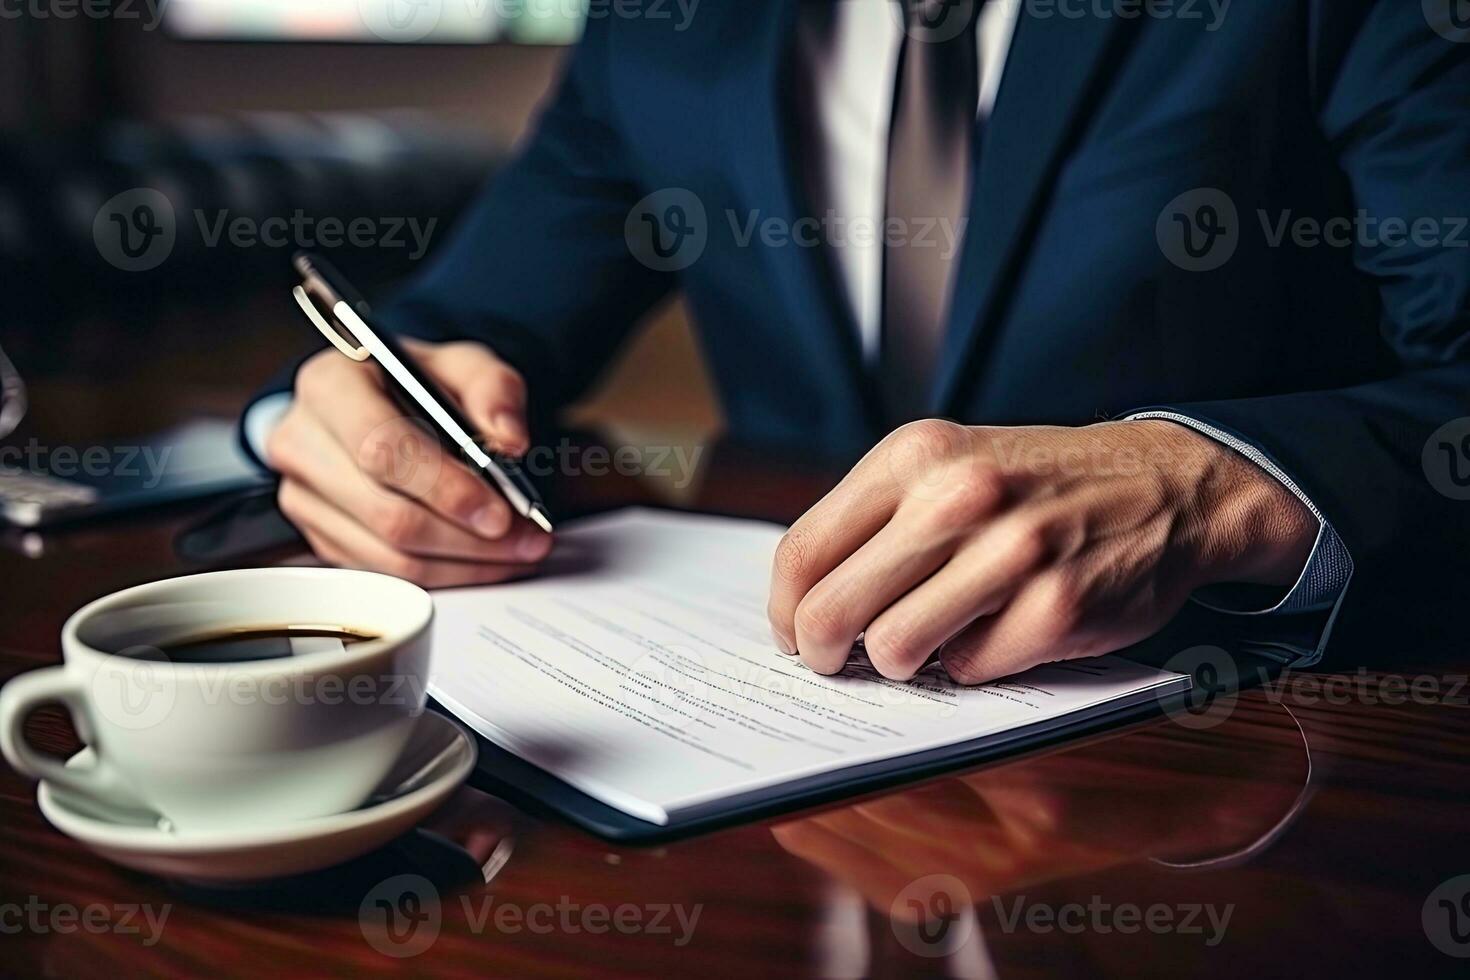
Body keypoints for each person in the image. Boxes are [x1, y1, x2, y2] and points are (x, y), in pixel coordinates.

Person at [244, 1, 1470, 684]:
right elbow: (453, 329)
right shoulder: (664, 29)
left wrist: (1211, 490)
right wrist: (338, 428)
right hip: (770, 752)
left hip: (1242, 770)